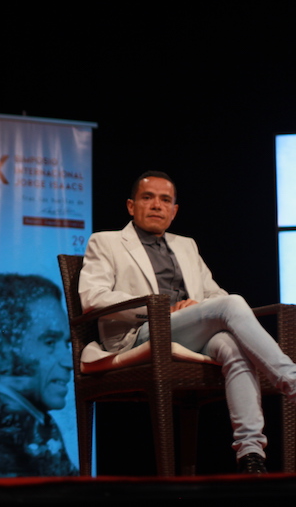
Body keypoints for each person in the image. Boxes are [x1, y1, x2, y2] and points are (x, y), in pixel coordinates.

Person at [79, 170, 296, 474]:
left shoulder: (186, 245)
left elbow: (214, 294)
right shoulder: (106, 242)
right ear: (131, 206)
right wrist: (159, 310)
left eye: (165, 200)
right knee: (232, 303)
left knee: (231, 345)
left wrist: (199, 306)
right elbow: (93, 298)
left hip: (187, 332)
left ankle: (251, 455)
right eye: (148, 197)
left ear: (174, 210)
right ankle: (290, 379)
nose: (157, 205)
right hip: (140, 333)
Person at [0, 273, 78, 478]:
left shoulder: (41, 433)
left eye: (65, 344)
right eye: (49, 342)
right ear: (0, 350)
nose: (69, 362)